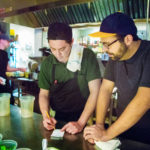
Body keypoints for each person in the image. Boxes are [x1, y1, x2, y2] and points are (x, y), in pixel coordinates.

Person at [83, 12, 150, 144]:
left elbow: (144, 100)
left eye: (108, 44)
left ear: (128, 39)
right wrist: (100, 125)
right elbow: (105, 90)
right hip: (123, 130)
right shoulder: (116, 55)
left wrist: (107, 134)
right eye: (103, 44)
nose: (104, 49)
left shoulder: (148, 54)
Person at [38, 22, 101, 134]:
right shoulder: (47, 63)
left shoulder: (86, 56)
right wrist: (46, 116)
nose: (57, 54)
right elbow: (43, 93)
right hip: (58, 115)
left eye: (62, 49)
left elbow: (95, 91)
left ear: (71, 42)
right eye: (52, 49)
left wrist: (80, 123)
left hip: (83, 114)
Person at [0, 33, 26, 104]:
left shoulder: (5, 54)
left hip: (4, 82)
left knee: (9, 101)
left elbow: (7, 68)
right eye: (8, 41)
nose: (9, 43)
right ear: (1, 40)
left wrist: (19, 69)